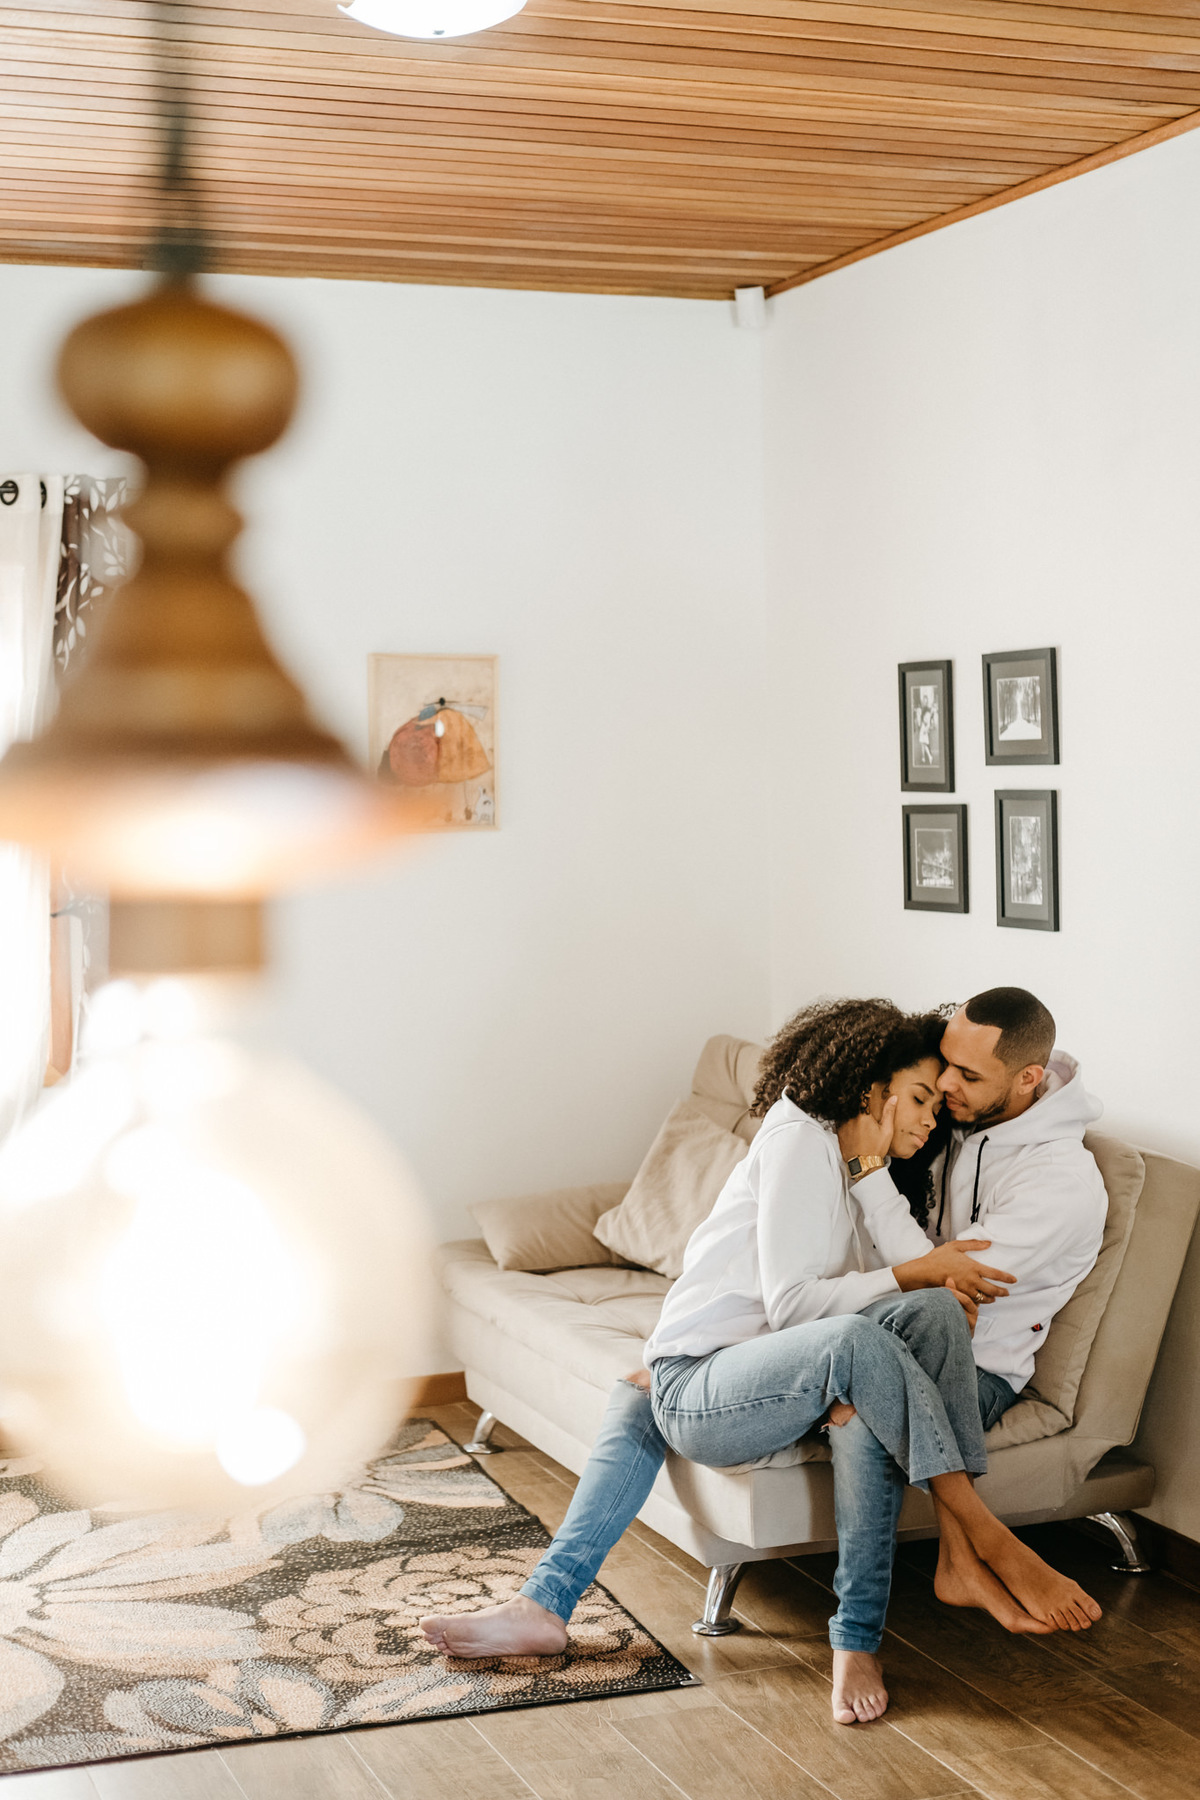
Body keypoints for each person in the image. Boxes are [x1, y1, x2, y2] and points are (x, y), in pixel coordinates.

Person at [422, 994, 1104, 1724]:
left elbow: (878, 1286)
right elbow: (799, 1303)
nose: (936, 1114)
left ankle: (544, 1605)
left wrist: (905, 1260)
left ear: (1024, 1079)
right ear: (869, 1091)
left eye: (948, 1094)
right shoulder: (803, 1143)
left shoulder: (895, 1160)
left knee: (903, 1335)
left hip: (766, 1363)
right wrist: (690, 1348)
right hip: (734, 1369)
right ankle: (977, 1534)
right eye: (921, 1096)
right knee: (858, 1346)